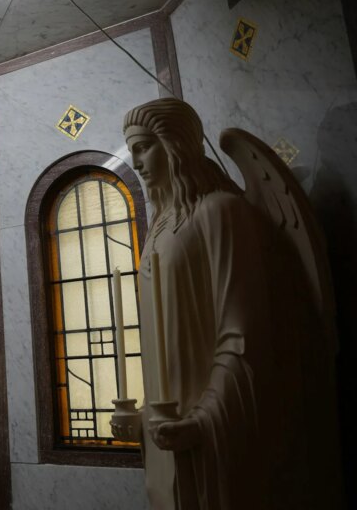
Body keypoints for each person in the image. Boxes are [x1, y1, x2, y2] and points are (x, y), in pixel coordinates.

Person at [112, 98, 338, 509]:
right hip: (168, 435)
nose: (137, 161)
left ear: (176, 143)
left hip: (220, 428)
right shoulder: (159, 232)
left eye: (144, 146)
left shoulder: (222, 213)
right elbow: (164, 350)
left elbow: (245, 337)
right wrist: (144, 416)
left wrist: (204, 420)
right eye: (132, 149)